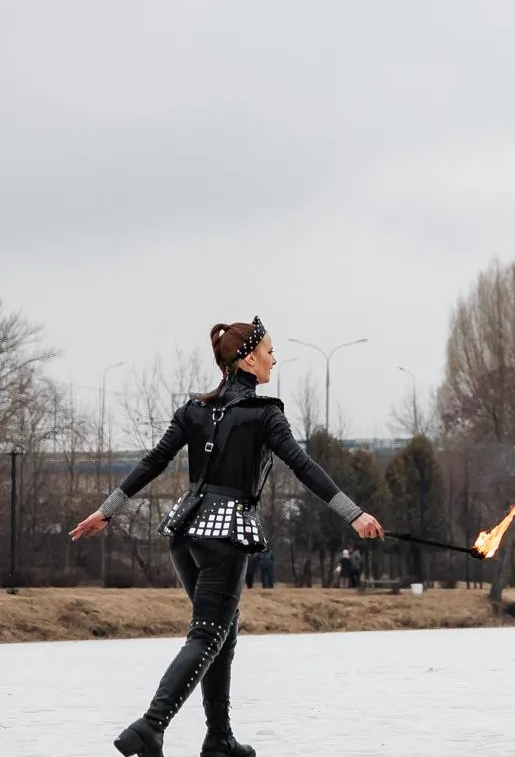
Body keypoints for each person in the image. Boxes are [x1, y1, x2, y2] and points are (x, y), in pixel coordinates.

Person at [70, 317, 384, 757]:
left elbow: (154, 461)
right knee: (207, 634)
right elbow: (303, 466)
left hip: (185, 532)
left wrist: (107, 511)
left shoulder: (195, 410)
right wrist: (355, 514)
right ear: (248, 359)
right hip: (225, 535)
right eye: (270, 351)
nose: (275, 359)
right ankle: (150, 726)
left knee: (223, 629)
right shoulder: (264, 414)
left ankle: (219, 738)